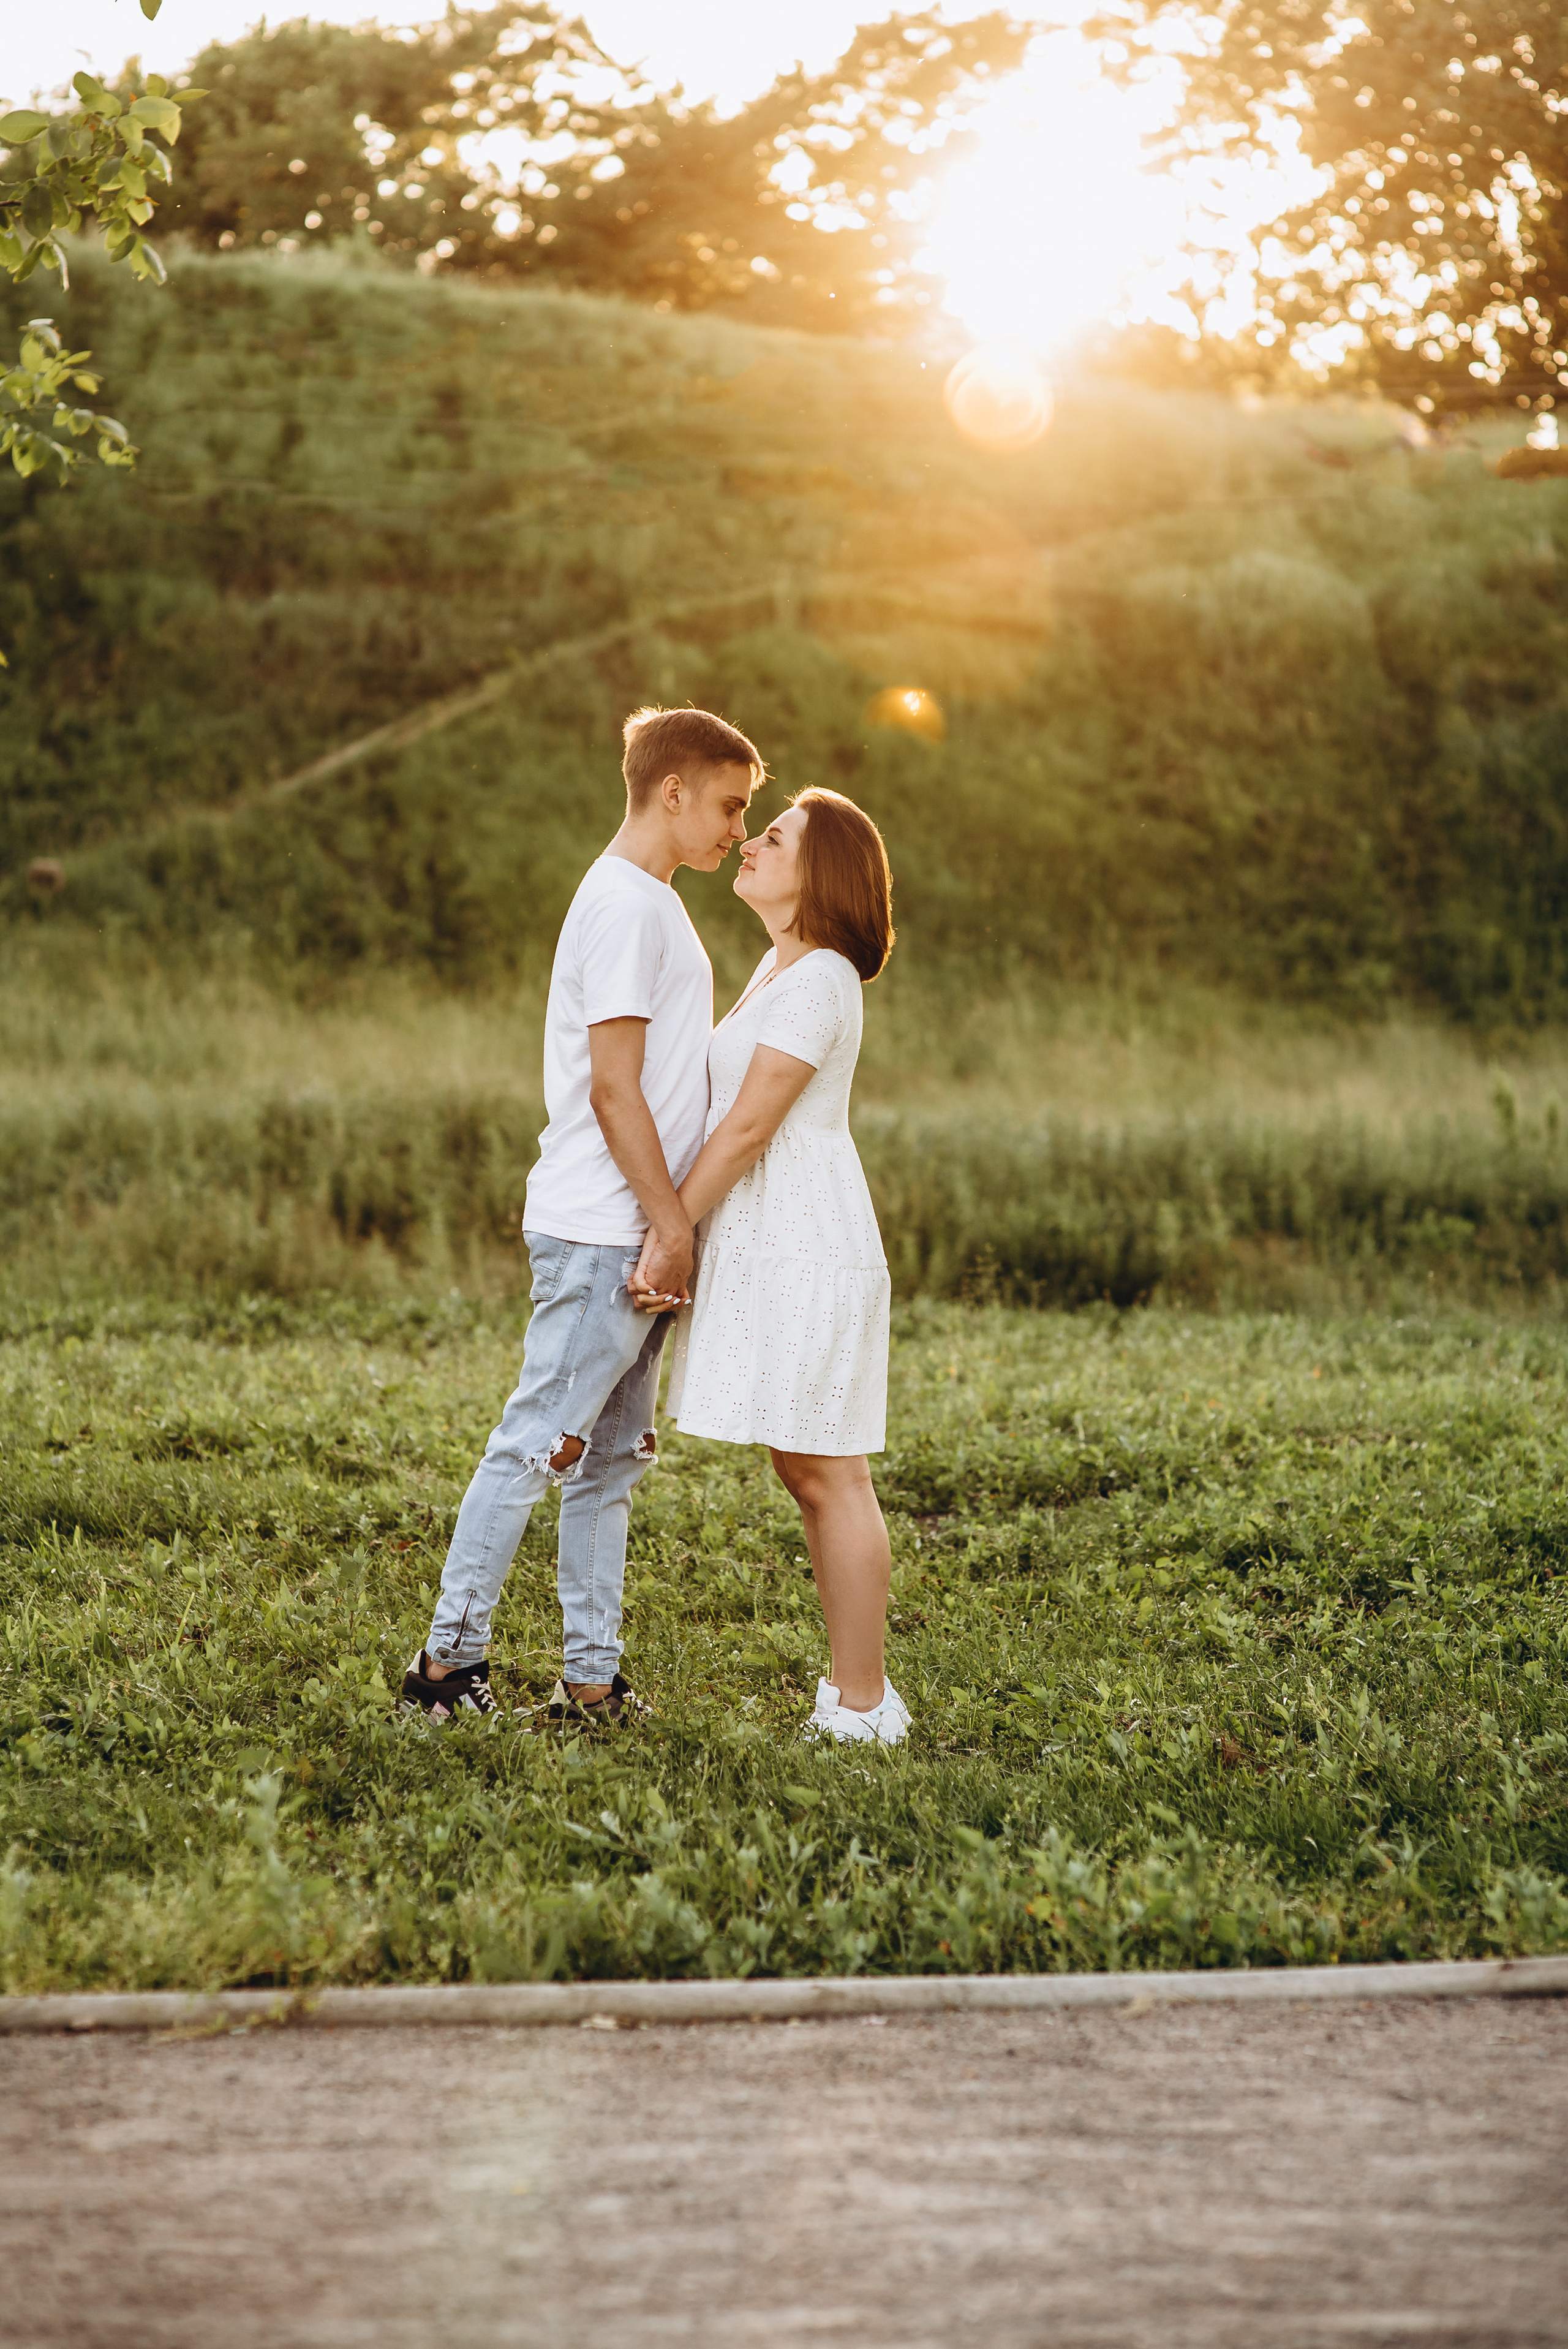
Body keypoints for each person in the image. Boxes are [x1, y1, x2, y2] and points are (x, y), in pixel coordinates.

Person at [400, 705, 762, 1725]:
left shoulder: (650, 901)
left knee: (607, 1468)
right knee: (533, 1447)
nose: (738, 829)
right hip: (609, 1229)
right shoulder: (623, 904)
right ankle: (444, 1671)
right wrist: (671, 1223)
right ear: (673, 789)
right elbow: (614, 1088)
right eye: (731, 806)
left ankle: (590, 1682)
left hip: (633, 1229)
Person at [645, 787, 908, 1746]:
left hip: (809, 1242)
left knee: (830, 1469)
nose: (749, 841)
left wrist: (671, 1226)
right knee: (802, 1464)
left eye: (775, 835)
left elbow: (752, 1123)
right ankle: (853, 1694)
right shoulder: (778, 966)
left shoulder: (822, 977)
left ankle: (866, 1703)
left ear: (821, 871)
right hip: (770, 1244)